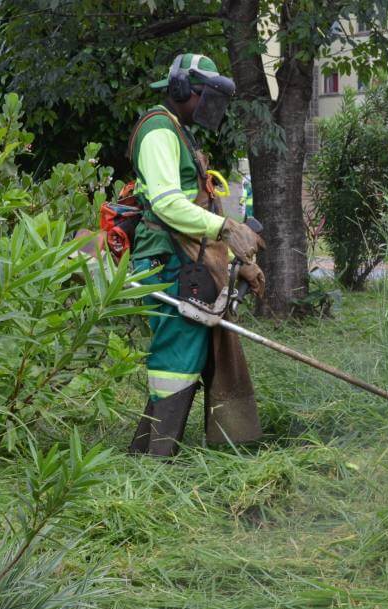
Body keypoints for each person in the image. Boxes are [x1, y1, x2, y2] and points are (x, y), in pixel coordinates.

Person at [127, 53, 265, 457]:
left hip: (185, 258)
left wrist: (239, 262)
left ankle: (143, 452)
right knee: (176, 357)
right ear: (182, 89)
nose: (209, 108)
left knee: (186, 351)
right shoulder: (158, 132)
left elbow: (198, 203)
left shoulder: (178, 132)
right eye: (204, 96)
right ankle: (156, 464)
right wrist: (227, 229)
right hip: (165, 259)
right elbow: (169, 205)